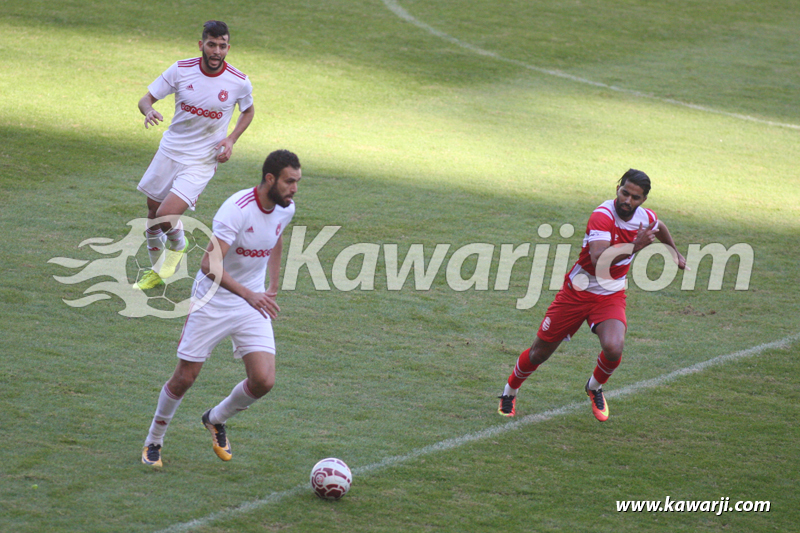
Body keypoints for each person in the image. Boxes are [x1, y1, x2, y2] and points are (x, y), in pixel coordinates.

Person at [141, 150, 301, 467]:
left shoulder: (286, 208)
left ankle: (215, 418)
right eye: (289, 182)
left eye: (297, 182)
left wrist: (271, 285)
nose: (294, 189)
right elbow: (208, 265)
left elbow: (277, 238)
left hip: (251, 302)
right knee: (185, 377)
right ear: (270, 179)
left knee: (263, 380)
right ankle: (153, 441)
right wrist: (249, 294)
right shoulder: (237, 210)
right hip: (212, 301)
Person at [497, 169, 687, 421]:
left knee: (614, 348)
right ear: (618, 189)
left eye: (635, 197)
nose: (627, 200)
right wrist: (635, 246)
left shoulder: (645, 217)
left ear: (643, 200)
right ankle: (509, 392)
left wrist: (674, 252)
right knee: (538, 354)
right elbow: (599, 259)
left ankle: (594, 387)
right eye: (625, 193)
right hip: (578, 291)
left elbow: (658, 225)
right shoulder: (602, 216)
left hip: (610, 293)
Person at [134, 20, 255, 290]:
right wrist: (149, 111)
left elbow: (248, 111)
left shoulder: (238, 81)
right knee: (152, 214)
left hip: (202, 160)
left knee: (166, 215)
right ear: (202, 44)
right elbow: (145, 99)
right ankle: (157, 272)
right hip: (170, 151)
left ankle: (178, 245)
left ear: (228, 48)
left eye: (222, 46)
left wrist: (231, 139)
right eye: (211, 45)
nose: (216, 51)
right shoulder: (181, 69)